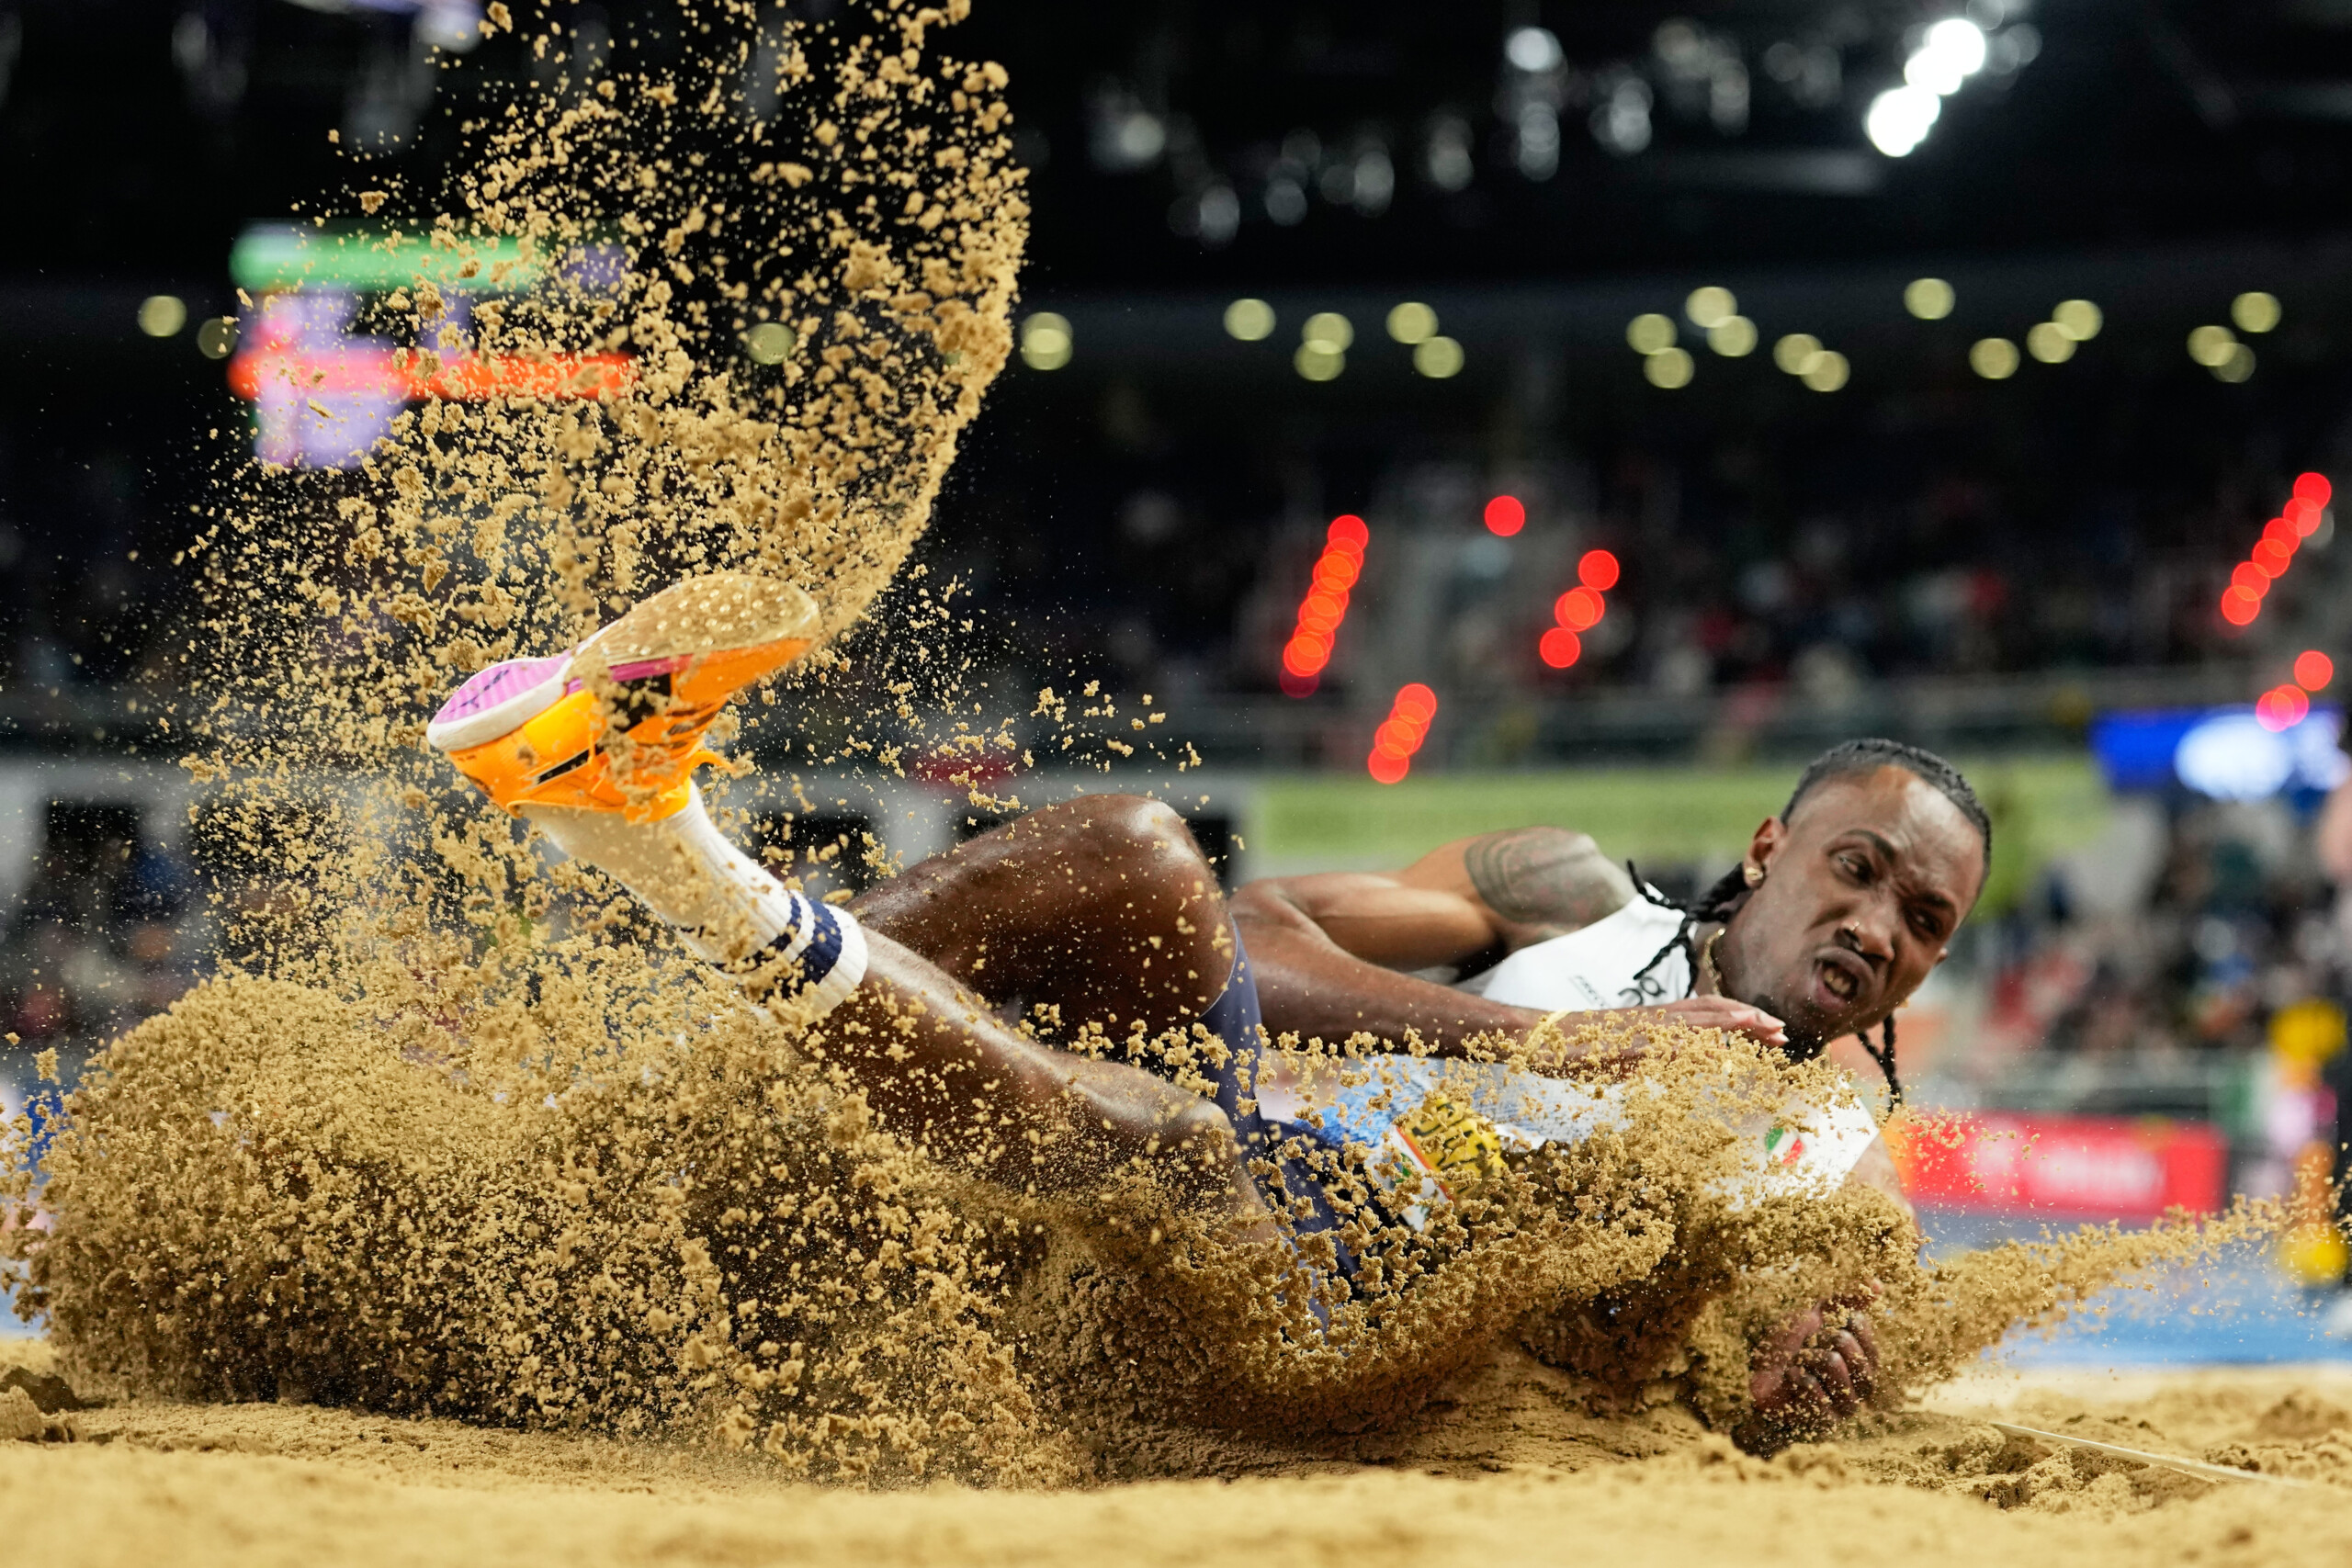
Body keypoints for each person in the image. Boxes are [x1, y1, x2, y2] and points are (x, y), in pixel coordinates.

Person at [426, 573, 1990, 1427]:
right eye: (1858, 870)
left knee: (1183, 1157)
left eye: (1924, 921)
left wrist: (1801, 1388)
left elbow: (1765, 1377)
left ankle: (666, 848)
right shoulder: (1567, 888)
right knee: (1134, 849)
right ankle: (629, 1095)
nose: (1877, 927)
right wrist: (1550, 1038)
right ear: (1774, 845)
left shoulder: (1844, 1163)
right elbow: (1258, 937)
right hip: (1262, 1138)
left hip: (1341, 1321)